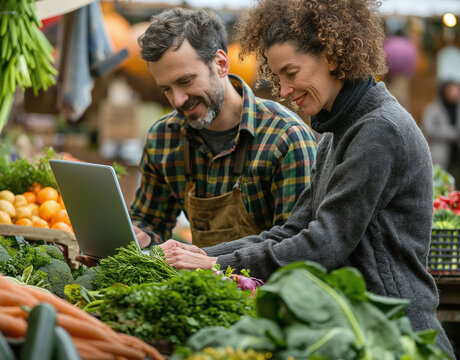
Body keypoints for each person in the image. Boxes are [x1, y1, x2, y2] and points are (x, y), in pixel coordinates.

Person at [159, 0, 455, 356]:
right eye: (277, 76)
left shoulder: (379, 130)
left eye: (291, 73)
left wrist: (214, 265)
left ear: (332, 56)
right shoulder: (336, 132)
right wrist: (200, 253)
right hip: (355, 327)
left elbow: (325, 243)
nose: (283, 90)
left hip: (398, 336)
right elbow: (292, 229)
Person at [128, 7, 316, 248]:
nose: (177, 100)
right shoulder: (164, 137)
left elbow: (295, 245)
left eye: (185, 81)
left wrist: (208, 260)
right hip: (202, 285)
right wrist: (141, 235)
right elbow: (150, 219)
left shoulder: (286, 138)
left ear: (221, 64)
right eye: (166, 89)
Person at [422, 80, 460, 180]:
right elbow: (428, 129)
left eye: (457, 89)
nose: (455, 93)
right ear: (444, 91)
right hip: (440, 153)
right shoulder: (433, 109)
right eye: (452, 90)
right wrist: (453, 133)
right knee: (440, 182)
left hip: (457, 155)